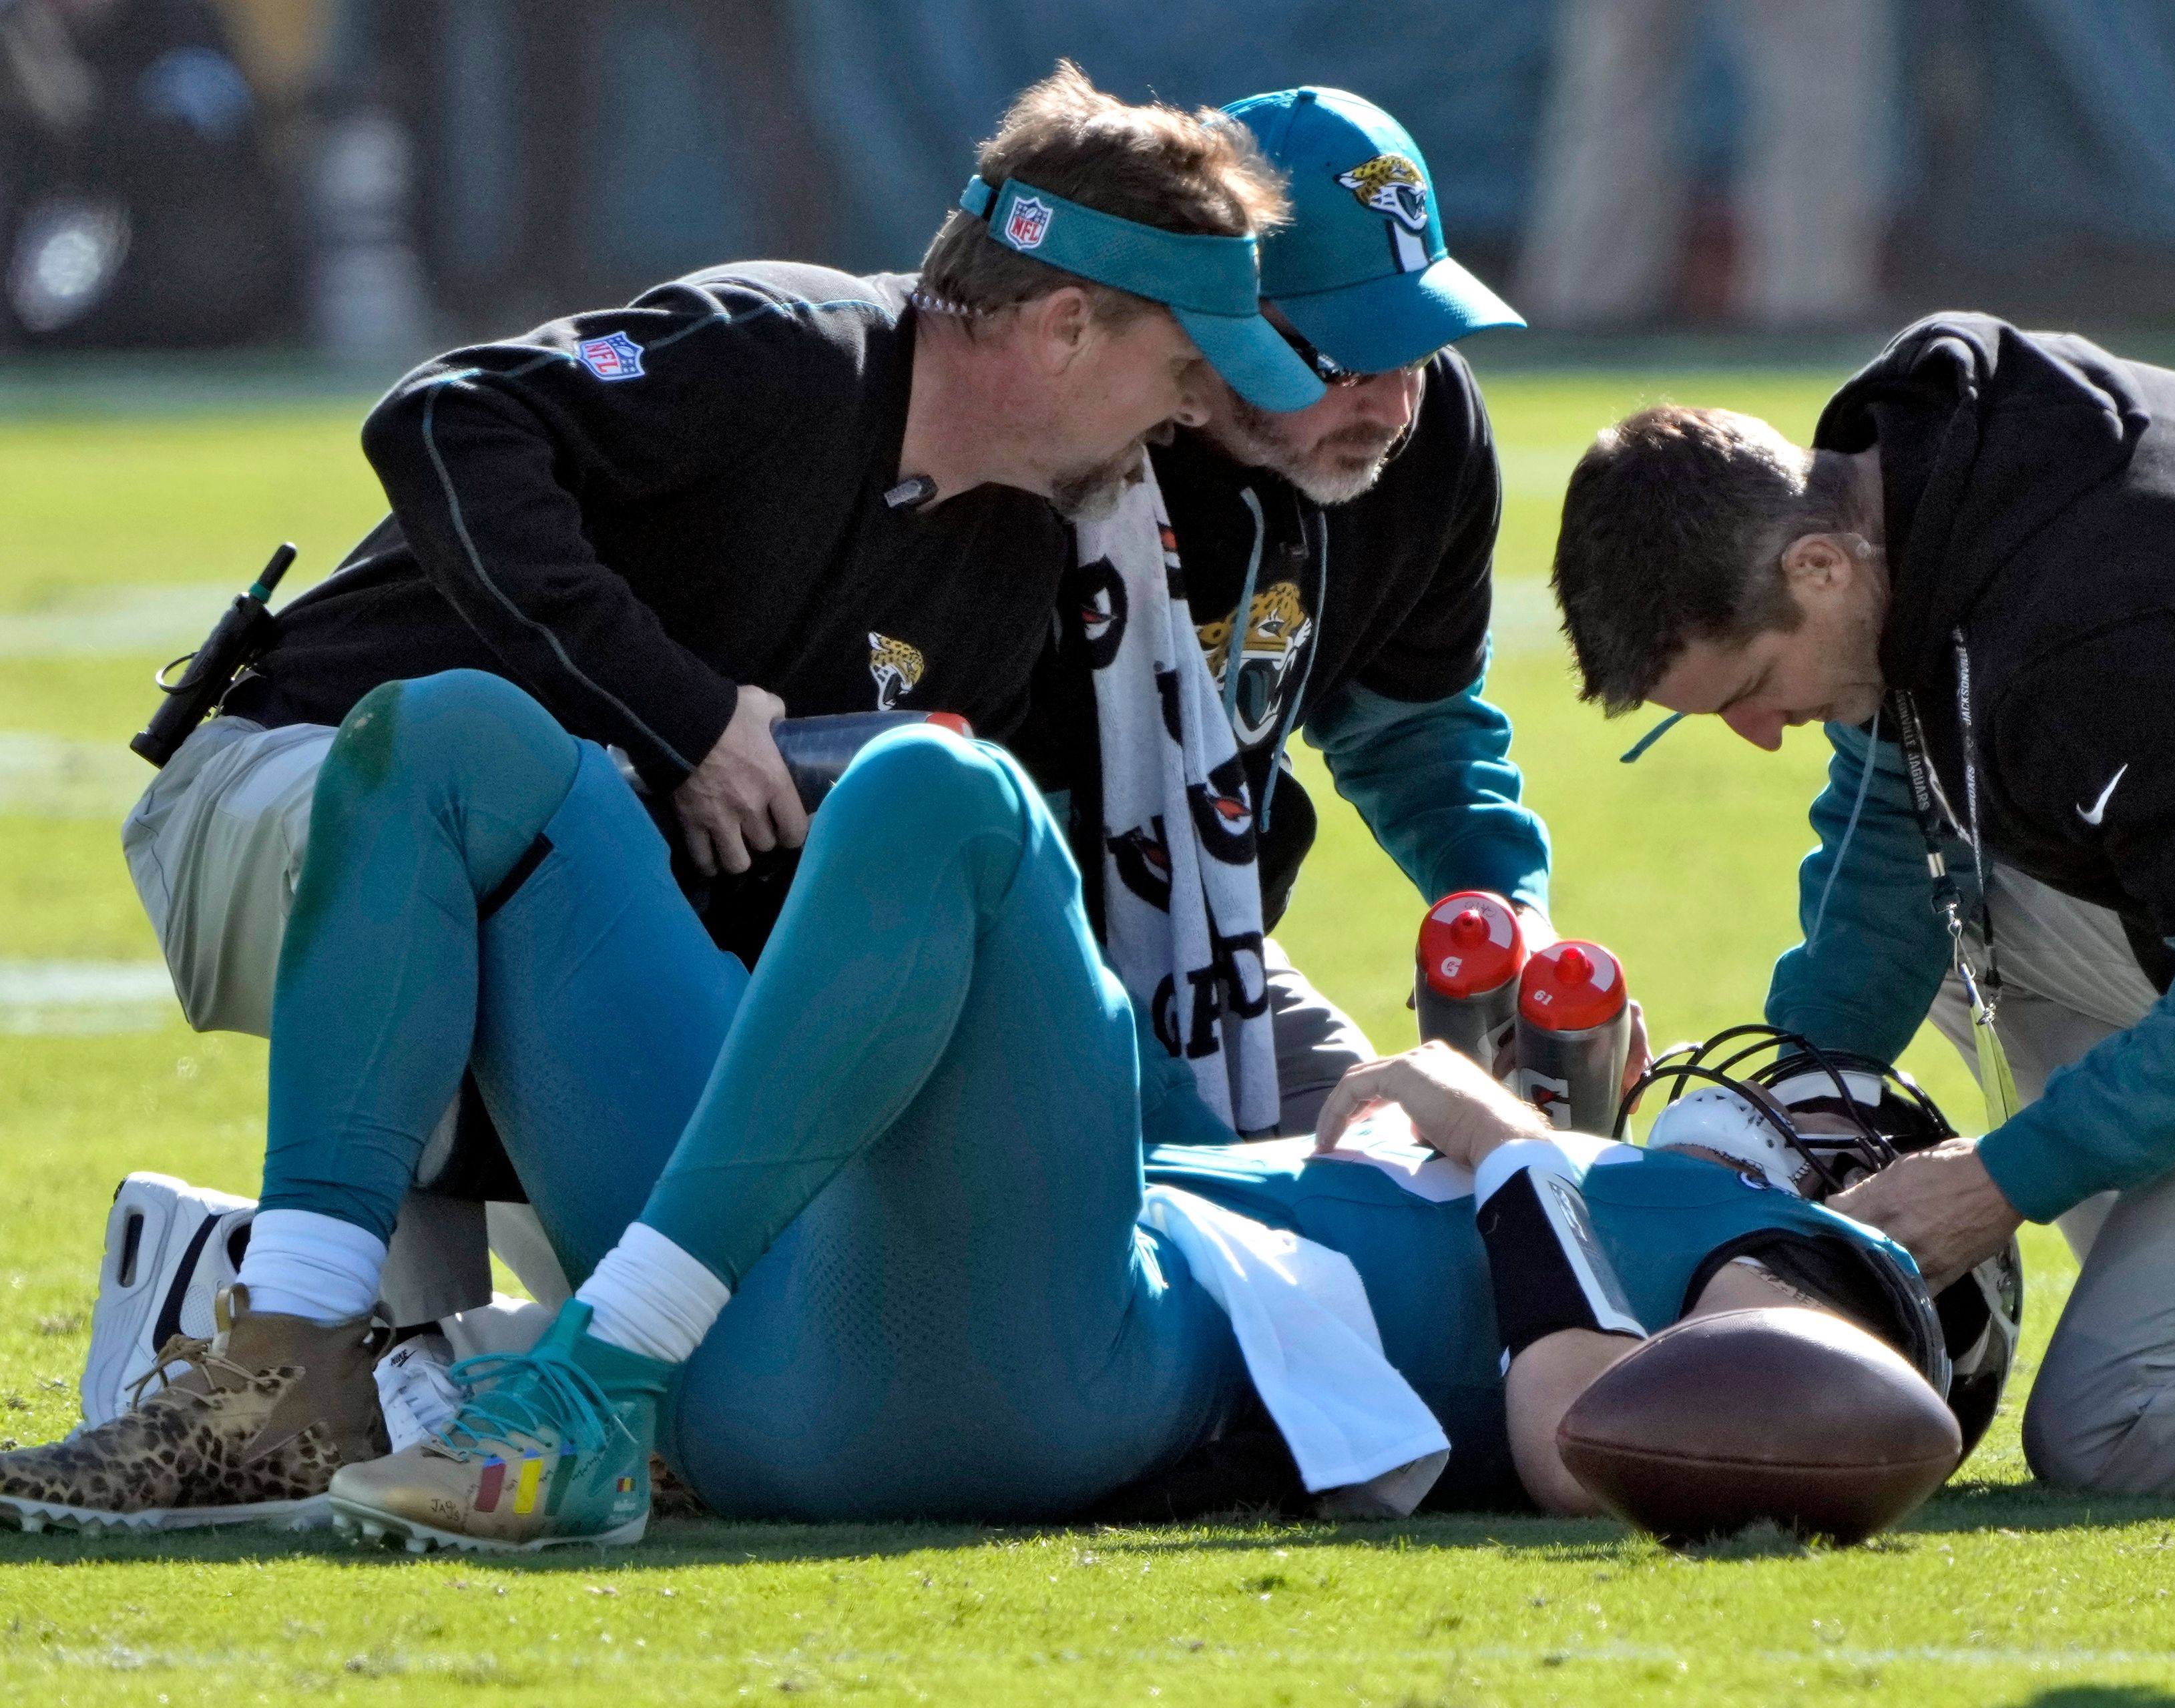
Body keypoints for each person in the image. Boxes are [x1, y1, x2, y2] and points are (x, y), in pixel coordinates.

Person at [0, 670, 1942, 1538]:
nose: (1736, 1090)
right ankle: (294, 1361)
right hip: (811, 1307)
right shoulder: (1433, 1167)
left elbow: (1607, 1429)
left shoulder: (1705, 1222)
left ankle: (593, 1383)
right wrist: (1379, 1113)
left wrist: (1528, 1158)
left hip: (1034, 1373)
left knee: (951, 792)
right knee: (458, 745)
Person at [114, 62, 1322, 1325]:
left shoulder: (1012, 563)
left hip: (559, 898)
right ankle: (319, 1339)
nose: (1196, 411)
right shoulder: (791, 350)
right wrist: (684, 717)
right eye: (1187, 363)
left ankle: (230, 1294)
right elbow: (439, 419)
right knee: (511, 837)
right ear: (1067, 326)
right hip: (288, 783)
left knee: (735, 1322)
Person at [1549, 313, 2175, 1494]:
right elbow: (1897, 843)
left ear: (1816, 567)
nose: (1762, 734)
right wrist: (1775, 1123)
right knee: (1960, 914)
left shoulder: (2097, 613)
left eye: (1754, 689)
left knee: (2116, 1416)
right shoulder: (1912, 491)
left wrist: (1998, 1184)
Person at [1013, 87, 1595, 1130]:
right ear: (1216, 319)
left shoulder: (1428, 439)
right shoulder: (1055, 445)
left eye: (1418, 341)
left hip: (1214, 956)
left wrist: (1509, 910)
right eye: (1345, 352)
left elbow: (1414, 728)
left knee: (1406, 1188)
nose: (1394, 403)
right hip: (1000, 970)